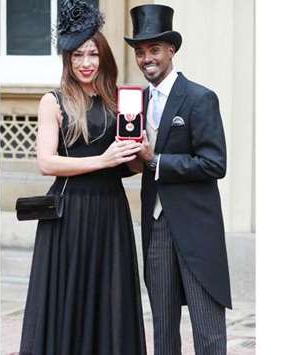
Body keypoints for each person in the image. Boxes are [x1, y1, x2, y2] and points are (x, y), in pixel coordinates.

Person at [17, 1, 146, 354]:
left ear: (103, 56)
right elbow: (47, 162)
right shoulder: (53, 101)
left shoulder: (118, 100)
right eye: (77, 55)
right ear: (67, 60)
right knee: (69, 297)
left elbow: (129, 168)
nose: (86, 63)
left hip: (110, 213)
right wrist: (102, 160)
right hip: (69, 214)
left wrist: (141, 153)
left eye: (92, 54)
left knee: (109, 296)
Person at [124, 4, 232, 355]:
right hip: (155, 227)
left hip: (196, 228)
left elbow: (214, 163)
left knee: (207, 329)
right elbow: (134, 164)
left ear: (171, 50)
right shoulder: (134, 102)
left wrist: (154, 160)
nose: (146, 59)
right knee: (163, 327)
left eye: (154, 50)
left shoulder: (200, 98)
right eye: (140, 52)